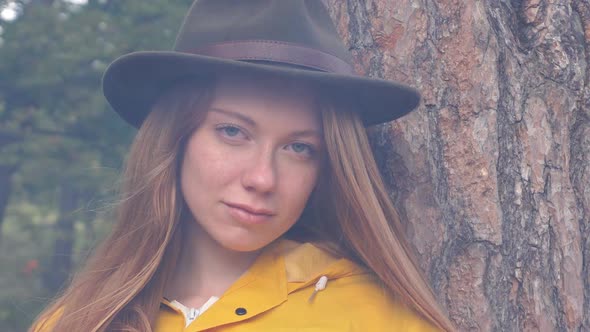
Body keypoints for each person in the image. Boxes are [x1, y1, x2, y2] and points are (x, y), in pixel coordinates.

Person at [31, 1, 454, 331]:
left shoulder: (377, 319)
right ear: (175, 138)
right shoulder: (77, 322)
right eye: (233, 132)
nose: (262, 178)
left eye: (299, 148)